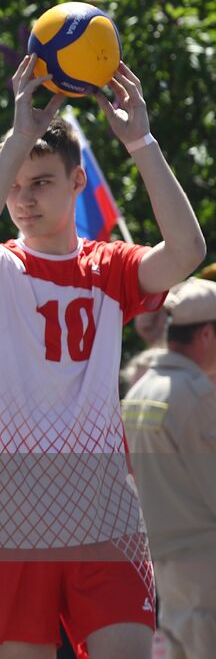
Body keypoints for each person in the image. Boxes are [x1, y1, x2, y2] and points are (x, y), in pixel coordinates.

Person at [0, 58, 205, 659]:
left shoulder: (109, 265)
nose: (24, 199)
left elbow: (186, 250)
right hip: (12, 514)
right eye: (15, 186)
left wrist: (141, 142)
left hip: (104, 511)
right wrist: (18, 138)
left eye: (41, 182)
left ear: (77, 181)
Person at [122, 277, 216, 659]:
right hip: (204, 570)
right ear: (207, 334)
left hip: (164, 567)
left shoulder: (139, 391)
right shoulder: (195, 394)